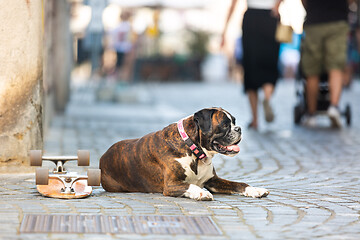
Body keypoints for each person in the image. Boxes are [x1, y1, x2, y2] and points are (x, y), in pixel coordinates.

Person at [222, 0, 283, 130]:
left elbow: (234, 4)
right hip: (270, 17)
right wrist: (277, 5)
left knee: (251, 67)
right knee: (269, 63)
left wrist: (224, 31)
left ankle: (255, 120)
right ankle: (267, 97)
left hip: (251, 18)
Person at [301, 0, 353, 128]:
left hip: (315, 20)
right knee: (336, 67)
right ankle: (334, 107)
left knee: (312, 71)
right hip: (337, 19)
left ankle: (311, 114)